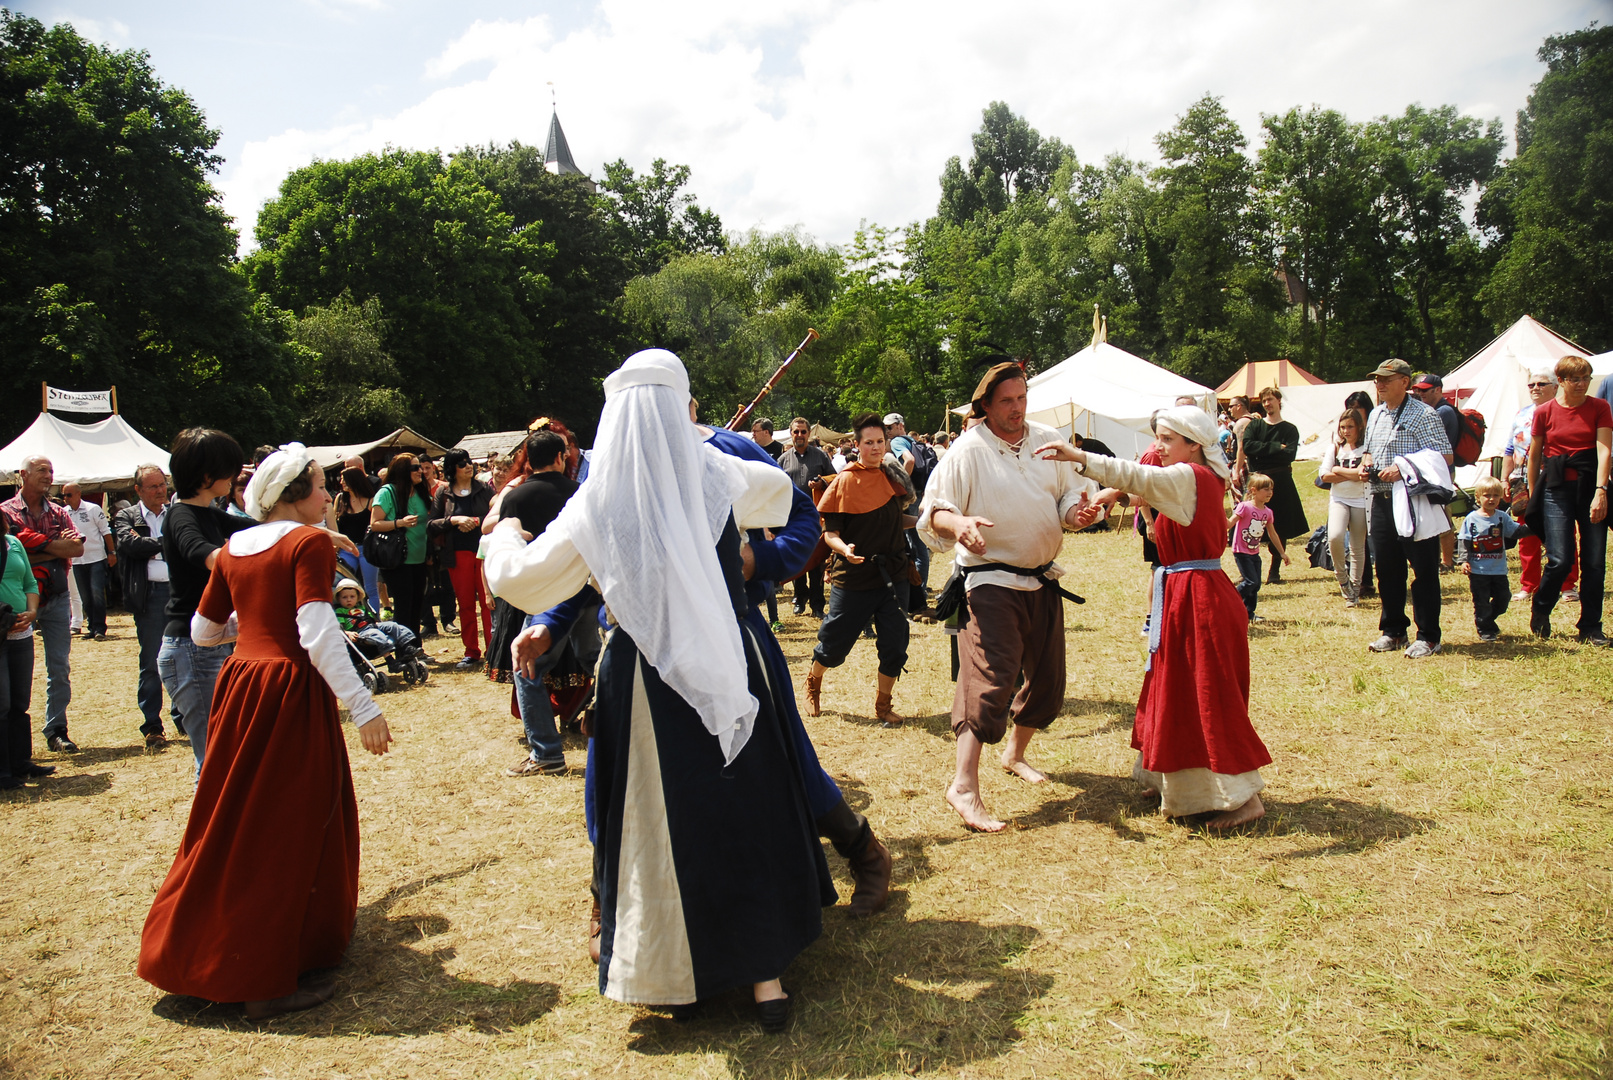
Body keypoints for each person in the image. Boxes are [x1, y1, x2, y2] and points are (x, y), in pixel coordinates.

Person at [486, 349, 834, 1032]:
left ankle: (678, 973)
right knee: (744, 806)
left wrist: (501, 529)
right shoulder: (716, 472)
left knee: (664, 822)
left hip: (647, 678)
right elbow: (779, 493)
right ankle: (766, 980)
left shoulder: (600, 498)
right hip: (730, 660)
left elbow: (523, 581)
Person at [139, 443, 394, 1021]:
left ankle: (209, 950)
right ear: (291, 496)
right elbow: (318, 629)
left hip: (242, 686)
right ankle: (262, 978)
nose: (329, 496)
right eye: (320, 486)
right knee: (285, 825)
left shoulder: (234, 546)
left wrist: (253, 630)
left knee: (233, 817)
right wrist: (362, 705)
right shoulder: (306, 543)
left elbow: (204, 631)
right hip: (285, 693)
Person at [1035, 406, 1271, 829]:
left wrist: (1080, 456)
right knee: (1177, 687)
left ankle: (1243, 799)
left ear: (1194, 445)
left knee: (1207, 694)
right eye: (1157, 437)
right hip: (1184, 593)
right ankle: (1176, 781)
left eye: (1166, 439)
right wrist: (1116, 495)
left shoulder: (1191, 476)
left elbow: (1142, 477)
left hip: (1200, 598)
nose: (1157, 447)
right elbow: (1146, 487)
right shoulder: (1190, 477)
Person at [918, 360, 1097, 833]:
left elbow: (1067, 497)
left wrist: (1074, 513)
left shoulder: (1045, 441)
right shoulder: (966, 451)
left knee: (1049, 681)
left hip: (1041, 580)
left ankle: (1015, 754)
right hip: (988, 581)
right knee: (990, 677)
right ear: (985, 406)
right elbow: (934, 512)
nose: (1016, 409)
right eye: (1006, 402)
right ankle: (963, 785)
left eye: (1021, 399)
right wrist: (959, 525)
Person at [156, 430, 257, 772]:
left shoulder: (210, 513)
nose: (235, 477)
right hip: (189, 651)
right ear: (206, 476)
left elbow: (260, 530)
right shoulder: (181, 516)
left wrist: (314, 534)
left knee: (228, 755)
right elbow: (202, 553)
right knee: (215, 763)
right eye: (229, 469)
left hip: (210, 645)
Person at [804, 413, 913, 726]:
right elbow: (830, 532)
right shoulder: (845, 481)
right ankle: (813, 681)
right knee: (833, 645)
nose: (877, 448)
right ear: (857, 444)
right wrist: (844, 550)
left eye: (881, 441)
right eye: (870, 442)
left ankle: (883, 706)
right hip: (853, 576)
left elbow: (895, 521)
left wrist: (925, 522)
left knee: (895, 642)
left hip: (893, 572)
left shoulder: (892, 477)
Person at [494, 430, 582, 775]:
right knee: (595, 661)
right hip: (581, 589)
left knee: (527, 669)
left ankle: (546, 752)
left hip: (543, 597)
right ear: (561, 457)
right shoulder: (578, 494)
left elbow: (507, 543)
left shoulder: (516, 497)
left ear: (528, 460)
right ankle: (591, 723)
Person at [1360, 359, 1453, 659]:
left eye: (1386, 379)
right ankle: (1393, 630)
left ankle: (1428, 636)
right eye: (1377, 379)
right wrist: (1367, 463)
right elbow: (1370, 449)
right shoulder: (1375, 414)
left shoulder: (1424, 414)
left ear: (1405, 382)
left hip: (1414, 500)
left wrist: (1403, 468)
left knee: (1423, 569)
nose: (1380, 384)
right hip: (1382, 499)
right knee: (1387, 568)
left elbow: (1445, 456)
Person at [1526, 354, 1612, 644]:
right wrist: (1532, 493)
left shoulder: (1600, 407)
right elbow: (1534, 455)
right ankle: (1541, 607)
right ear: (1560, 381)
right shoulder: (1544, 412)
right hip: (1556, 487)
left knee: (1595, 561)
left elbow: (1604, 450)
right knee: (1560, 559)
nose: (1582, 384)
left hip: (1591, 486)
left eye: (1586, 378)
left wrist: (1601, 491)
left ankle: (1590, 627)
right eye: (1575, 378)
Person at [2, 455, 82, 753]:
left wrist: (32, 547)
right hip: (18, 601)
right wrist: (53, 546)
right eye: (41, 471)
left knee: (59, 666)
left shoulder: (60, 512)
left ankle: (56, 729)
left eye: (51, 470)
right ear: (23, 474)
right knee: (13, 669)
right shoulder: (5, 512)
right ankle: (12, 741)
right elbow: (10, 558)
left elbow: (77, 547)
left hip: (57, 596)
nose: (49, 476)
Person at [115, 465, 182, 748]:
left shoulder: (177, 513)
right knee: (152, 661)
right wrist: (164, 544)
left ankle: (184, 717)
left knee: (184, 657)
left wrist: (153, 546)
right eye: (153, 487)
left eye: (162, 485)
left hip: (180, 593)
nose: (160, 491)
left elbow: (185, 544)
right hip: (150, 596)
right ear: (138, 490)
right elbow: (129, 545)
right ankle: (153, 725)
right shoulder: (125, 515)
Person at [1505, 366, 1577, 602]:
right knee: (1528, 533)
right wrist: (1505, 478)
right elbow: (1509, 450)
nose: (1535, 388)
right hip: (1524, 481)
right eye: (1531, 385)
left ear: (1556, 387)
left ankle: (1567, 585)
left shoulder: (1565, 412)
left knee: (1563, 533)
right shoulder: (1521, 414)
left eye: (1541, 384)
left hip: (1557, 479)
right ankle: (1529, 584)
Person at [429, 449, 495, 670]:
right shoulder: (443, 493)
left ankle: (493, 649)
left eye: (469, 462)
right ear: (452, 469)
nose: (469, 466)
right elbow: (431, 524)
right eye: (462, 463)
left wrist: (476, 520)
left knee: (488, 603)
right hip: (457, 555)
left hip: (484, 553)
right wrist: (454, 520)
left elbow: (496, 515)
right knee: (466, 605)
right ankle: (471, 652)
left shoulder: (484, 489)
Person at [1235, 387, 1307, 585]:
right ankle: (1246, 569)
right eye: (1264, 400)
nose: (1267, 404)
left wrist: (1264, 449)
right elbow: (1248, 447)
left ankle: (1275, 570)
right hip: (1257, 480)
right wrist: (1276, 447)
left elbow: (1289, 454)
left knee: (1279, 525)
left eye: (1270, 400)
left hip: (1281, 480)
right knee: (1248, 523)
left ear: (1278, 401)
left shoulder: (1289, 429)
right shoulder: (1255, 426)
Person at [0, 510, 48, 788]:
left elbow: (29, 582)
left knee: (20, 701)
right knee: (2, 704)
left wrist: (31, 612)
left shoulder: (13, 543)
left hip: (22, 632)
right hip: (1, 631)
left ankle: (21, 762)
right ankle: (3, 770)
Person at [1458, 476, 1530, 641]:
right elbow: (1464, 541)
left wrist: (1536, 527)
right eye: (1487, 495)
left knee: (1503, 598)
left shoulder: (1501, 517)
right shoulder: (1472, 519)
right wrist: (1463, 560)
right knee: (1481, 601)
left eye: (1495, 496)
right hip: (1478, 570)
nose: (1491, 499)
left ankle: (1487, 617)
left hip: (1498, 569)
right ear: (1478, 497)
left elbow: (1516, 531)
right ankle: (1485, 628)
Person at [777, 417, 837, 618]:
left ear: (809, 434)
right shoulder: (783, 460)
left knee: (817, 561)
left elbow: (835, 480)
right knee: (798, 560)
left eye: (803, 431)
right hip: (792, 519)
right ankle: (800, 599)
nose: (800, 435)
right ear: (791, 433)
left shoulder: (820, 456)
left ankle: (818, 605)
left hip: (816, 518)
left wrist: (821, 483)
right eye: (796, 432)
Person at [371, 452, 432, 642]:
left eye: (420, 467)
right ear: (402, 471)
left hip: (420, 557)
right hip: (398, 560)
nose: (420, 471)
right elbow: (375, 524)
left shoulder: (421, 492)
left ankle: (416, 647)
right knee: (404, 607)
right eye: (415, 467)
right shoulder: (387, 492)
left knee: (417, 605)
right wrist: (399, 523)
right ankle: (404, 648)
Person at [1319, 409, 1370, 607]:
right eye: (1342, 427)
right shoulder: (1335, 448)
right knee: (1334, 536)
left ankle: (1354, 589)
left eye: (1350, 427)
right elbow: (1324, 475)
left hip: (1360, 500)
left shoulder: (1366, 448)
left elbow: (1363, 474)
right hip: (1339, 498)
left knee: (1357, 546)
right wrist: (1350, 473)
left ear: (1358, 427)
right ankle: (1342, 576)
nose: (1346, 431)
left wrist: (1338, 470)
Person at [1413, 374, 1462, 571]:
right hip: (1431, 470)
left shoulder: (1442, 412)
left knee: (1442, 514)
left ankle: (1447, 562)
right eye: (1418, 390)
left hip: (1442, 472)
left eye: (1425, 390)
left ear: (1438, 390)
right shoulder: (1434, 410)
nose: (1420, 393)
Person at [1229, 474, 1287, 619]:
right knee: (1250, 581)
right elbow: (1229, 523)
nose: (1269, 493)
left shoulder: (1267, 512)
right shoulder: (1244, 507)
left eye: (1271, 489)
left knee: (1256, 585)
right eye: (1266, 489)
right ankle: (1230, 600)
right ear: (1254, 490)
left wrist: (1282, 553)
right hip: (1241, 551)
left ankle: (1249, 614)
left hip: (1254, 552)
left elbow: (1273, 534)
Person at [62, 484, 113, 640]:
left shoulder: (93, 509)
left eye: (69, 495)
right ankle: (92, 627)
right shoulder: (64, 513)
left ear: (78, 494)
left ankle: (100, 628)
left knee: (97, 592)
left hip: (96, 557)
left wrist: (112, 552)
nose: (66, 498)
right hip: (77, 560)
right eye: (64, 495)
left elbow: (106, 531)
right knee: (85, 596)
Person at [334, 578, 422, 666]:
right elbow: (339, 628)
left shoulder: (363, 608)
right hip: (360, 632)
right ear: (338, 599)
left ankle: (407, 646)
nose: (348, 600)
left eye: (352, 597)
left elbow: (373, 618)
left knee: (393, 625)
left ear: (357, 597)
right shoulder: (340, 612)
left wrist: (376, 622)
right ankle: (390, 660)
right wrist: (348, 633)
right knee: (377, 633)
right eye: (344, 597)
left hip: (372, 626)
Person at [329, 467, 382, 602]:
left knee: (370, 587)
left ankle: (373, 619)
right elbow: (335, 525)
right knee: (343, 585)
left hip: (366, 549)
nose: (341, 482)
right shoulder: (340, 499)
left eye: (344, 480)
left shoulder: (371, 501)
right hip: (346, 549)